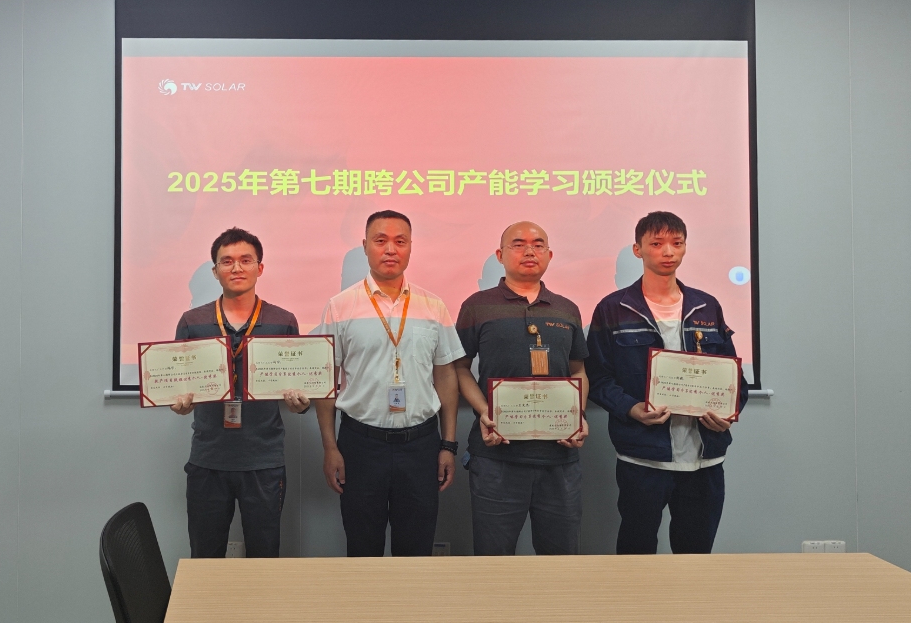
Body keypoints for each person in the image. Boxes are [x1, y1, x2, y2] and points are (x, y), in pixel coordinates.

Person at [586, 211, 748, 555]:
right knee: (637, 553)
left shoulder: (707, 306)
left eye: (677, 243)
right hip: (642, 457)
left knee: (696, 555)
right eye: (657, 243)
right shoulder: (613, 308)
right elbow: (598, 378)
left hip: (704, 458)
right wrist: (632, 408)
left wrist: (729, 413)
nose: (668, 251)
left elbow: (735, 379)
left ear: (685, 247)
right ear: (638, 249)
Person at [315, 210, 465, 557]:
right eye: (380, 240)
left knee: (416, 550)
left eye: (400, 241)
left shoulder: (433, 306)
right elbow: (326, 380)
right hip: (360, 445)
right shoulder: (340, 307)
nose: (390, 249)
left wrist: (448, 444)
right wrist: (330, 447)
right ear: (365, 246)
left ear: (411, 247)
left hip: (421, 445)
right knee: (362, 547)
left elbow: (446, 375)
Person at [170, 227, 311, 558]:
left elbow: (301, 384)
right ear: (215, 270)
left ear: (260, 268)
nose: (237, 268)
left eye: (246, 260)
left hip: (263, 460)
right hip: (208, 458)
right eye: (227, 261)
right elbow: (178, 384)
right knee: (204, 556)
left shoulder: (282, 321)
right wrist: (179, 403)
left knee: (264, 556)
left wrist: (300, 404)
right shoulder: (192, 321)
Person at [454, 221, 589, 555]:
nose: (530, 251)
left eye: (538, 244)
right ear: (500, 255)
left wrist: (579, 417)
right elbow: (459, 368)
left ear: (549, 255)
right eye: (518, 244)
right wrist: (484, 411)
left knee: (561, 561)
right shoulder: (476, 306)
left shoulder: (567, 309)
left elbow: (579, 370)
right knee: (494, 560)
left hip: (559, 456)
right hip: (496, 456)